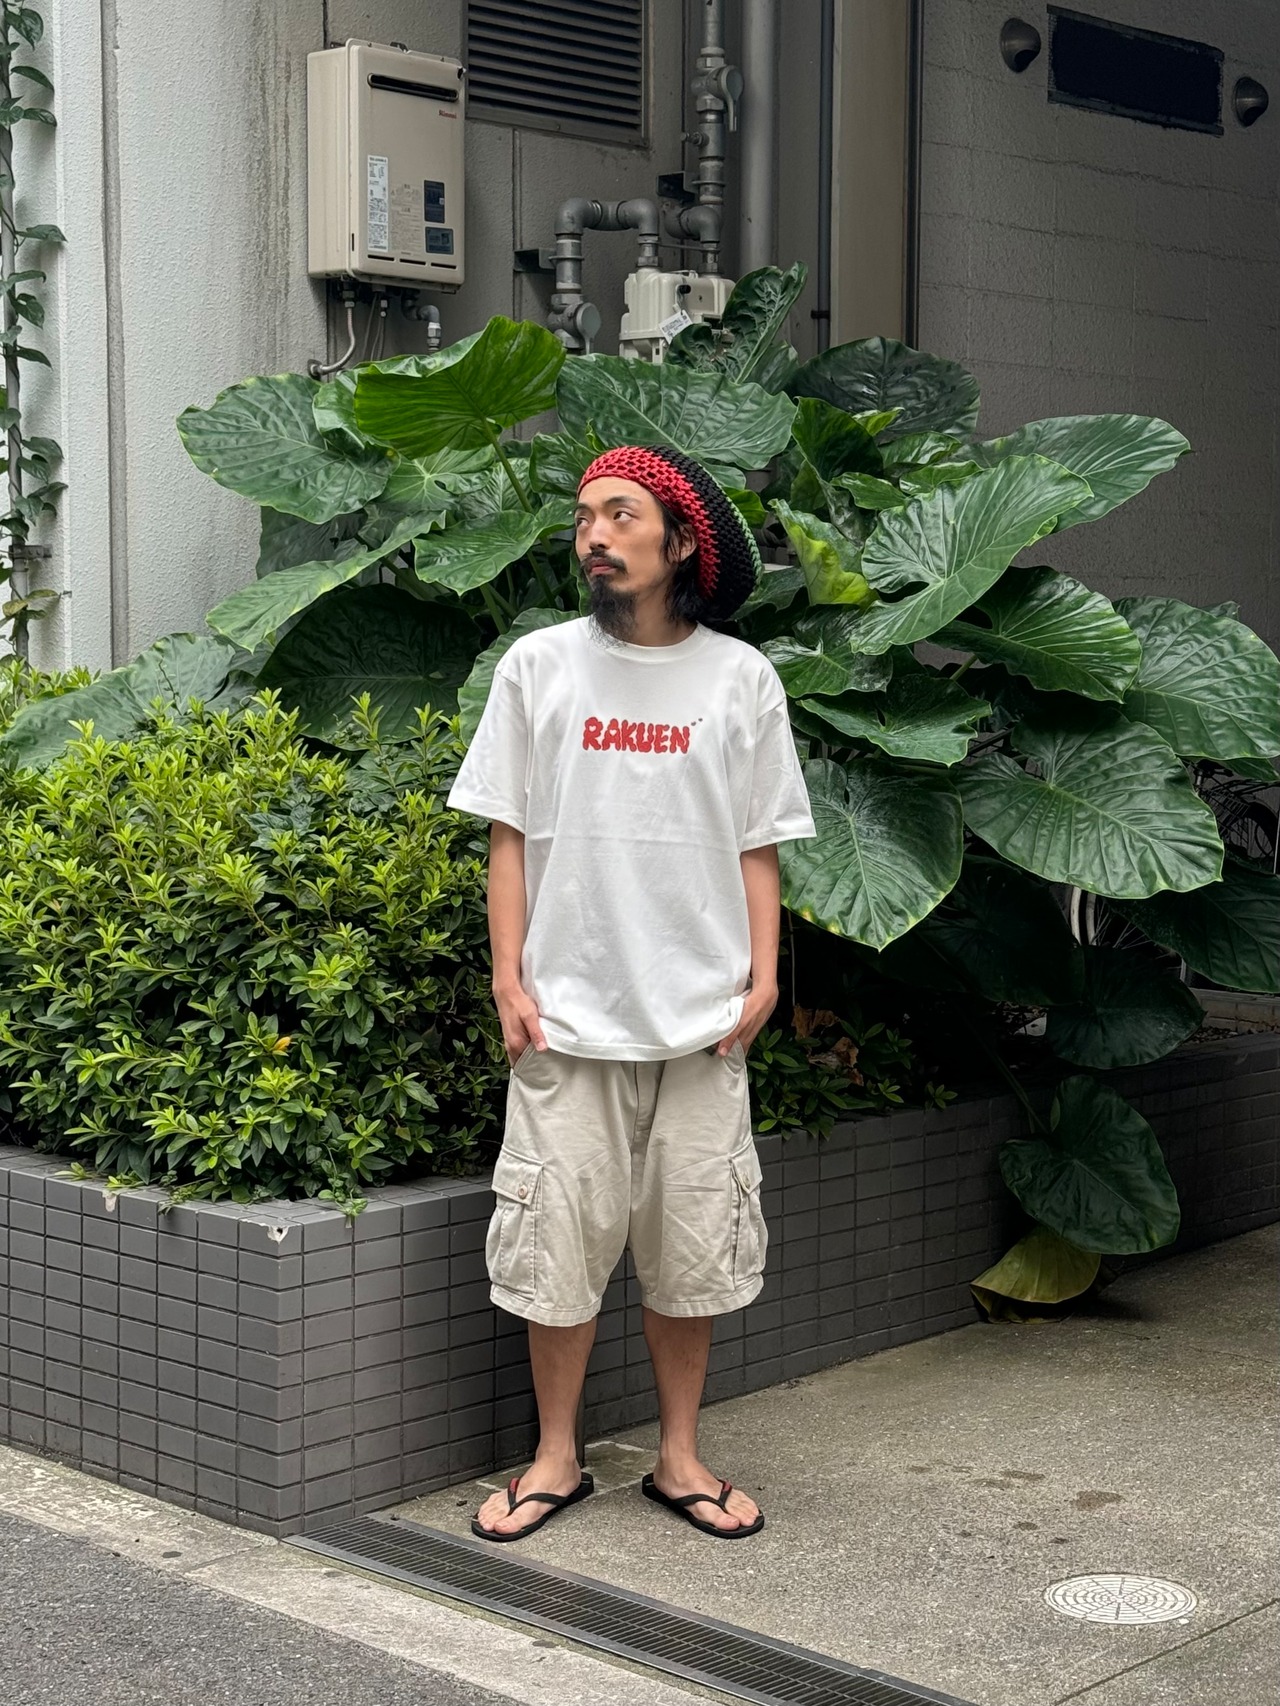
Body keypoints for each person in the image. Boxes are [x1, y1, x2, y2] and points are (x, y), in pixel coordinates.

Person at [446, 444, 815, 1543]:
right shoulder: (539, 666)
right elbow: (508, 834)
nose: (593, 536)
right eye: (584, 517)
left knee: (691, 1251)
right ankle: (555, 1456)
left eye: (619, 515)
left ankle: (678, 1455)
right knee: (554, 1251)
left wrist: (764, 976)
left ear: (680, 541)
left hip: (702, 1025)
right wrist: (508, 978)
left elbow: (758, 841)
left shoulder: (740, 678)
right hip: (567, 1019)